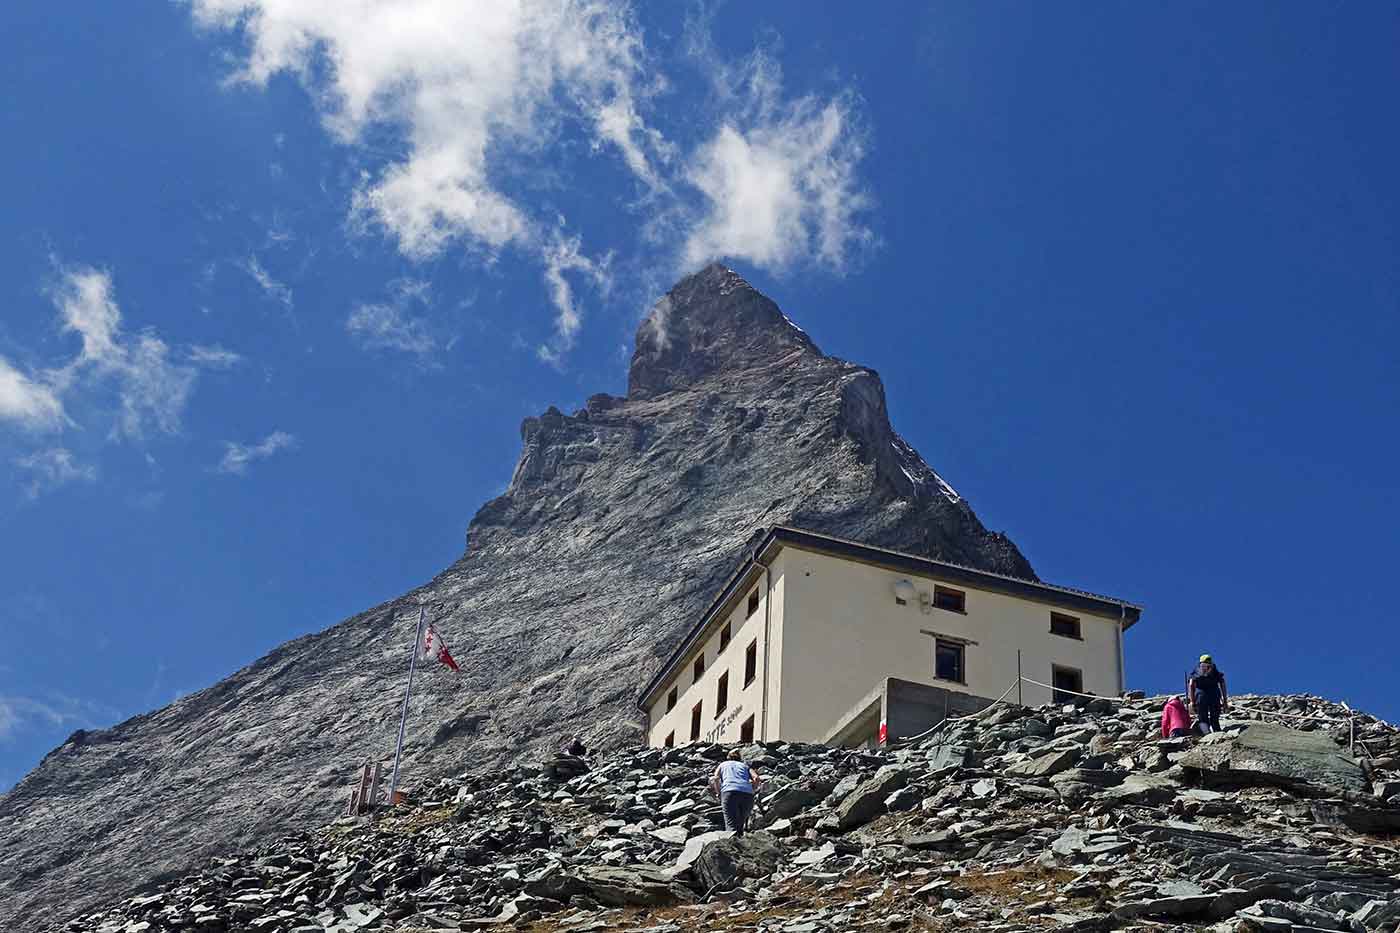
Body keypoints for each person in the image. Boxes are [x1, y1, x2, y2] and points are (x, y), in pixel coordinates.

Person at [709, 748, 763, 836]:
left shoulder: (723, 764)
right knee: (740, 825)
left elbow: (716, 779)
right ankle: (741, 845)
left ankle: (732, 847)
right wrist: (753, 789)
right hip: (747, 794)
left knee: (731, 825)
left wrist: (718, 792)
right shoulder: (745, 766)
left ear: (728, 757)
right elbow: (756, 778)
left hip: (729, 792)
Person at [1188, 654, 1228, 734]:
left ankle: (1206, 734)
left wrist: (1192, 701)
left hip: (1201, 695)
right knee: (1214, 716)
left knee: (1202, 717)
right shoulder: (1214, 669)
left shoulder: (1197, 670)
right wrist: (1224, 699)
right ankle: (1217, 732)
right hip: (1214, 695)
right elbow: (1222, 682)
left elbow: (1191, 684)